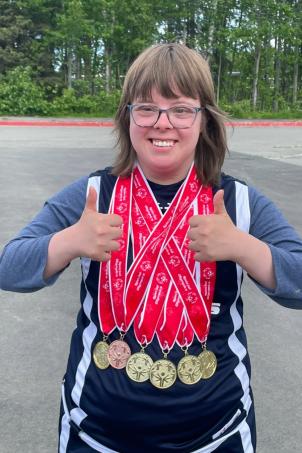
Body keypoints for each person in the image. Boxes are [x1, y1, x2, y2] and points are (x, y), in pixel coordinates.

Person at [0, 43, 302, 453]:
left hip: (218, 434)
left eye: (181, 109)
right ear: (127, 118)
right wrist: (69, 242)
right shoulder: (92, 195)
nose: (162, 123)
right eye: (145, 107)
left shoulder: (239, 203)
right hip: (96, 434)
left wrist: (244, 248)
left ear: (204, 119)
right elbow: (9, 267)